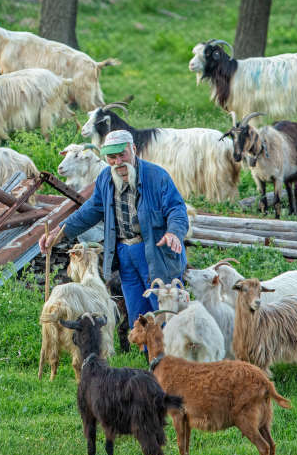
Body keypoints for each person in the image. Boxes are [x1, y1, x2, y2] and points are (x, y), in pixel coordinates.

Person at [39, 129, 188, 327]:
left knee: (163, 309)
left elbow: (176, 208)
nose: (118, 162)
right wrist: (59, 232)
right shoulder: (105, 180)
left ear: (133, 149)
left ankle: (171, 354)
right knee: (137, 312)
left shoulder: (156, 176)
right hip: (125, 254)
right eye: (112, 157)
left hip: (155, 251)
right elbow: (90, 211)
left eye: (122, 155)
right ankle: (148, 355)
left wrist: (173, 233)